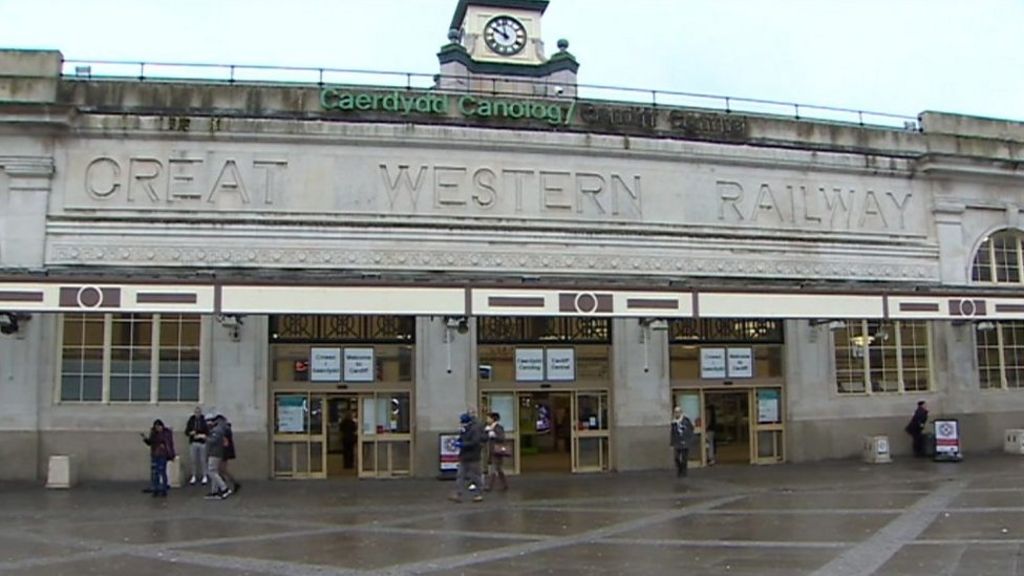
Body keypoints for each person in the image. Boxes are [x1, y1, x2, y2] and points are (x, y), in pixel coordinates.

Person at [449, 412, 484, 503]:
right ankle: (458, 493)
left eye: (463, 422)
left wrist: (461, 444)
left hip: (473, 456)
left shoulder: (474, 429)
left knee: (475, 476)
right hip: (464, 456)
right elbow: (462, 438)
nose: (462, 423)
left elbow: (474, 442)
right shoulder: (465, 429)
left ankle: (478, 494)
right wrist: (458, 441)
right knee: (460, 475)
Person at [141, 419, 175, 497]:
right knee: (155, 473)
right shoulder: (154, 433)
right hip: (155, 454)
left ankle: (163, 489)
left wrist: (171, 455)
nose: (158, 428)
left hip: (162, 455)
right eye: (156, 427)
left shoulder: (166, 433)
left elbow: (169, 444)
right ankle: (155, 489)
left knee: (162, 472)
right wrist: (145, 439)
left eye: (159, 427)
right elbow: (150, 442)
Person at [204, 411, 231, 500]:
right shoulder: (218, 428)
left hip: (215, 453)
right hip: (214, 453)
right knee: (214, 471)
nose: (207, 423)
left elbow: (213, 441)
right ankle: (214, 491)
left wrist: (204, 438)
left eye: (208, 421)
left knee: (212, 471)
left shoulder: (217, 430)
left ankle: (224, 488)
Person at [484, 412, 508, 492]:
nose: (487, 420)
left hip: (497, 451)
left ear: (493, 419)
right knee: (499, 469)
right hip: (492, 450)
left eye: (488, 418)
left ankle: (489, 486)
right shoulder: (488, 427)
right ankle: (505, 484)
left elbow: (502, 438)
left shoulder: (498, 427)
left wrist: (494, 435)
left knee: (494, 469)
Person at [184, 406, 209, 486]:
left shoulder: (204, 420)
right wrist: (190, 433)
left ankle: (204, 475)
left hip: (202, 442)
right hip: (193, 442)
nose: (197, 414)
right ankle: (193, 475)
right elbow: (186, 431)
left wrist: (202, 435)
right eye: (196, 412)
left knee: (203, 460)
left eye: (199, 412)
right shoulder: (191, 420)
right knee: (193, 460)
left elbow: (207, 431)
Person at [670, 406, 694, 477]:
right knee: (676, 457)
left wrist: (688, 439)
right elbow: (673, 433)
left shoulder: (686, 421)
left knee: (684, 458)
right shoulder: (674, 422)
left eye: (678, 412)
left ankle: (684, 472)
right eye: (675, 412)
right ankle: (680, 469)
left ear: (681, 412)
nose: (676, 414)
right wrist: (672, 443)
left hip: (685, 441)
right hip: (677, 442)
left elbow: (691, 429)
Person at [219, 415, 240, 494]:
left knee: (222, 469)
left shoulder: (225, 430)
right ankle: (224, 485)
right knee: (221, 470)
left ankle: (230, 484)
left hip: (224, 452)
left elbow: (225, 442)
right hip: (225, 452)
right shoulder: (226, 429)